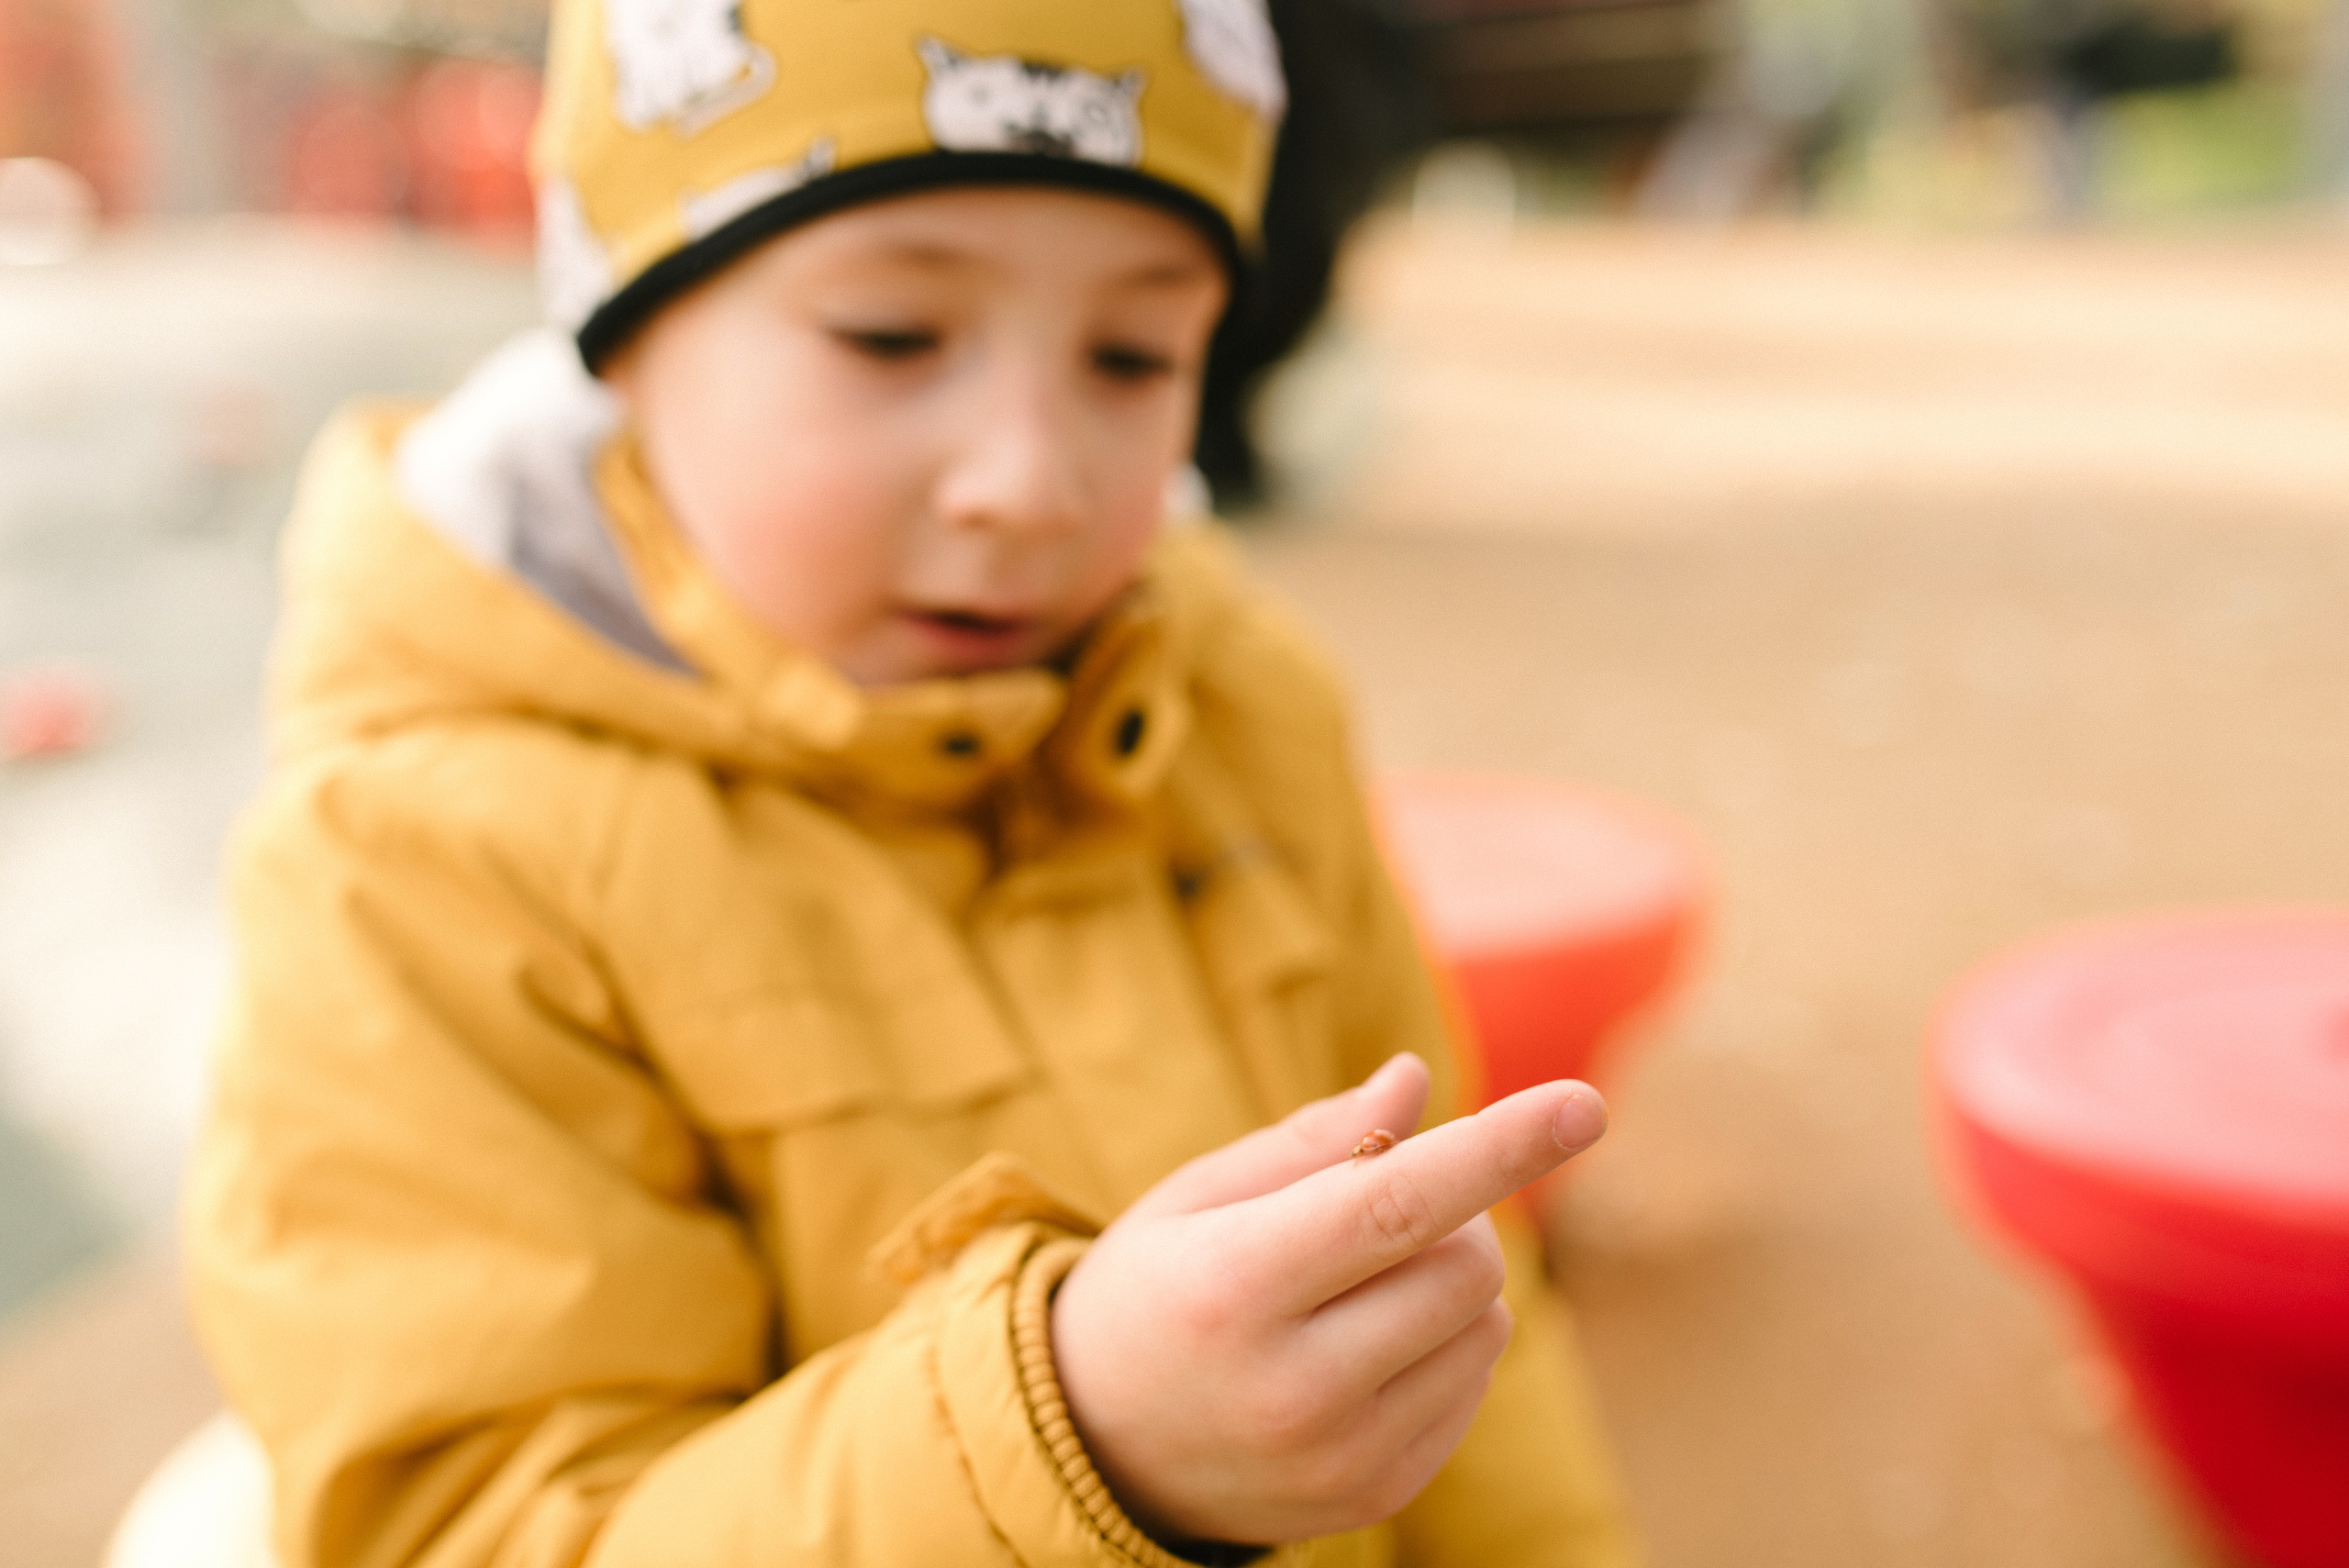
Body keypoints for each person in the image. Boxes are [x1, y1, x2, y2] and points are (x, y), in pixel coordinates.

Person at [185, 0, 1642, 1562]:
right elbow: (471, 1524)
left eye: (1133, 353)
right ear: (624, 337)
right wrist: (1077, 1447)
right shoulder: (416, 861)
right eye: (893, 335)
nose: (1027, 479)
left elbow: (1456, 1324)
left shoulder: (1243, 706)